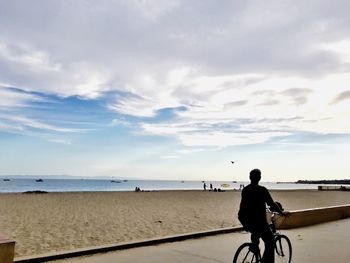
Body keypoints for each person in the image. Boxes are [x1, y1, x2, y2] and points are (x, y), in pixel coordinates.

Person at [238, 169, 286, 263]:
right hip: (259, 222)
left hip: (245, 220)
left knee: (255, 232)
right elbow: (271, 204)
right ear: (259, 178)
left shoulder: (245, 189)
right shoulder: (262, 190)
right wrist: (281, 212)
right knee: (270, 242)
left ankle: (254, 247)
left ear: (250, 177)